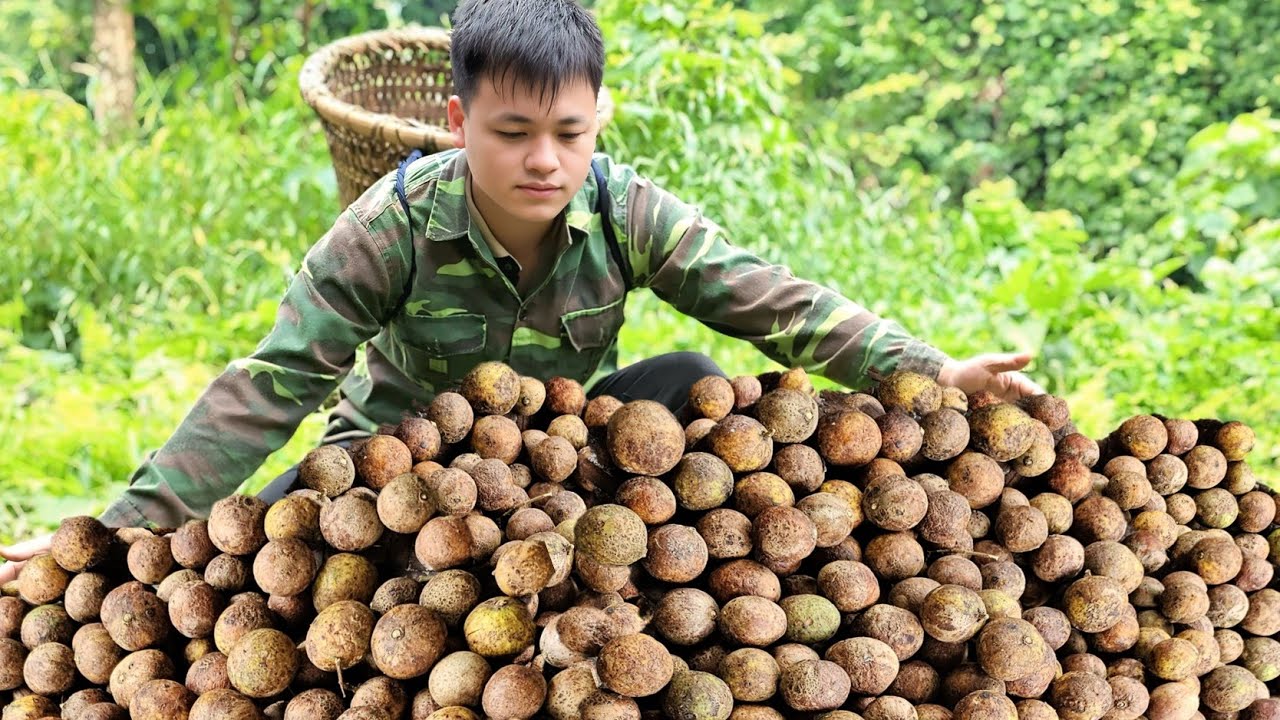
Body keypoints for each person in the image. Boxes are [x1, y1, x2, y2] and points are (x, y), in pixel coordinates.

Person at [0, 0, 1043, 583]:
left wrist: (925, 371)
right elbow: (268, 385)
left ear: (594, 122)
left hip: (557, 463)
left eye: (569, 133)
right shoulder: (391, 228)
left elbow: (771, 300)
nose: (544, 160)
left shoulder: (625, 209)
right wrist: (118, 527)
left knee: (686, 372)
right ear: (458, 120)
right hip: (386, 467)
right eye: (512, 133)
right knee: (247, 554)